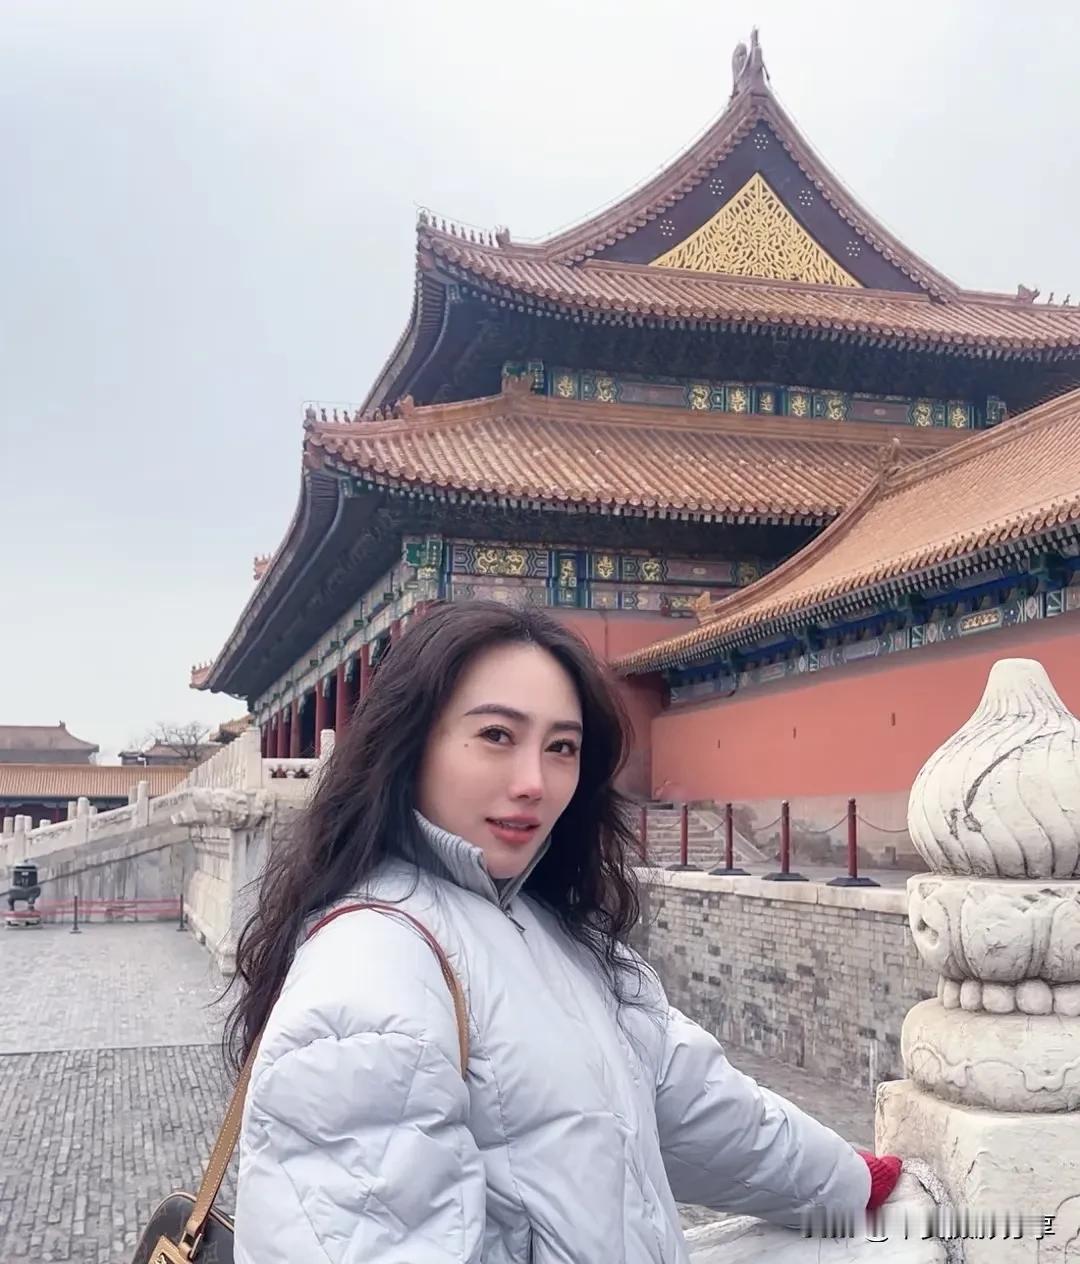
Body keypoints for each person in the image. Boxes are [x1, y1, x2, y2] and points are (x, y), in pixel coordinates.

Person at [230, 600, 901, 1263]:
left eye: (562, 748)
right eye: (497, 736)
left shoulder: (550, 930)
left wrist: (849, 1181)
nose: (535, 782)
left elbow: (695, 1104)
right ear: (409, 743)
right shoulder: (372, 970)